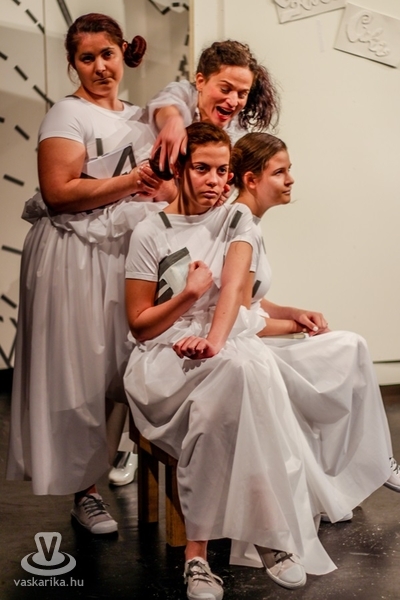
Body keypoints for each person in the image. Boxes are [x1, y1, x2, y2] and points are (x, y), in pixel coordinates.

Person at [123, 122, 355, 600]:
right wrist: (188, 296)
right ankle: (268, 533)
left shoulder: (236, 220)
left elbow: (233, 289)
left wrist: (213, 341)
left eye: (222, 170)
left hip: (220, 345)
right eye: (202, 169)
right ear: (180, 169)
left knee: (237, 374)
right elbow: (140, 326)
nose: (214, 180)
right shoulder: (149, 231)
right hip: (162, 357)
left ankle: (198, 557)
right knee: (242, 373)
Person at [6, 13, 175, 534]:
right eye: (87, 58)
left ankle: (117, 452)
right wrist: (134, 180)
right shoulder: (67, 113)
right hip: (71, 255)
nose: (100, 67)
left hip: (124, 254)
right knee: (77, 371)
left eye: (108, 54)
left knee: (123, 366)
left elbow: (168, 180)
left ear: (124, 53)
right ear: (72, 63)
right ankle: (85, 491)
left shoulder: (144, 116)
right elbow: (59, 192)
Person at [227, 132, 400, 566]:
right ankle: (363, 469)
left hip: (254, 335)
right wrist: (290, 326)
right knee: (348, 349)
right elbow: (238, 315)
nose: (290, 180)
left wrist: (293, 312)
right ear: (251, 178)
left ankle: (364, 468)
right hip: (243, 348)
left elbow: (253, 297)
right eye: (280, 172)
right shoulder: (240, 225)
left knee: (349, 347)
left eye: (289, 171)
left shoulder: (249, 221)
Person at [146, 40, 279, 173]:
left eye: (242, 94)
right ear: (200, 82)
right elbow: (167, 103)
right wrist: (172, 121)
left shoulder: (238, 136)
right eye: (225, 89)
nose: (233, 102)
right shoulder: (185, 94)